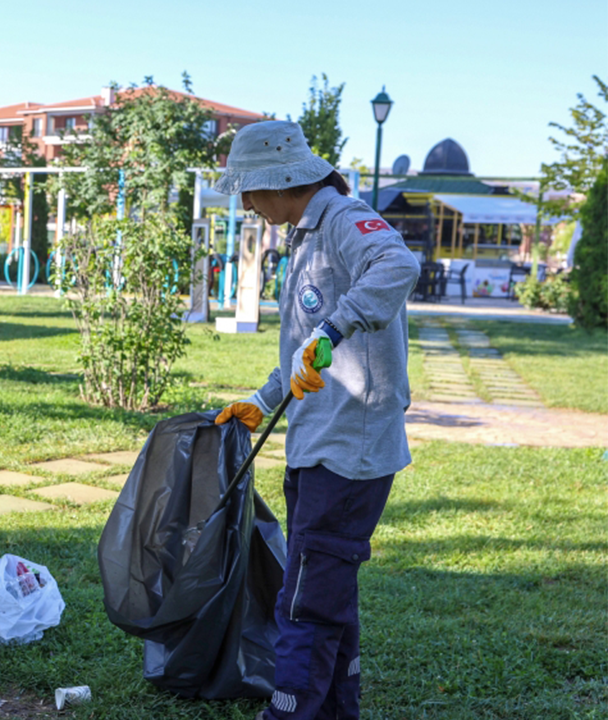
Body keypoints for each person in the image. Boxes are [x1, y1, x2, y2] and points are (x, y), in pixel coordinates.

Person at [211, 120, 420, 720]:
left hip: (349, 449)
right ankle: (334, 709)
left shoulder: (345, 221)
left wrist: (334, 328)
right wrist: (266, 395)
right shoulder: (304, 235)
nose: (246, 203)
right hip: (316, 440)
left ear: (280, 180)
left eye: (249, 190)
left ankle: (288, 711)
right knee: (328, 591)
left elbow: (396, 266)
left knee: (304, 599)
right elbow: (308, 342)